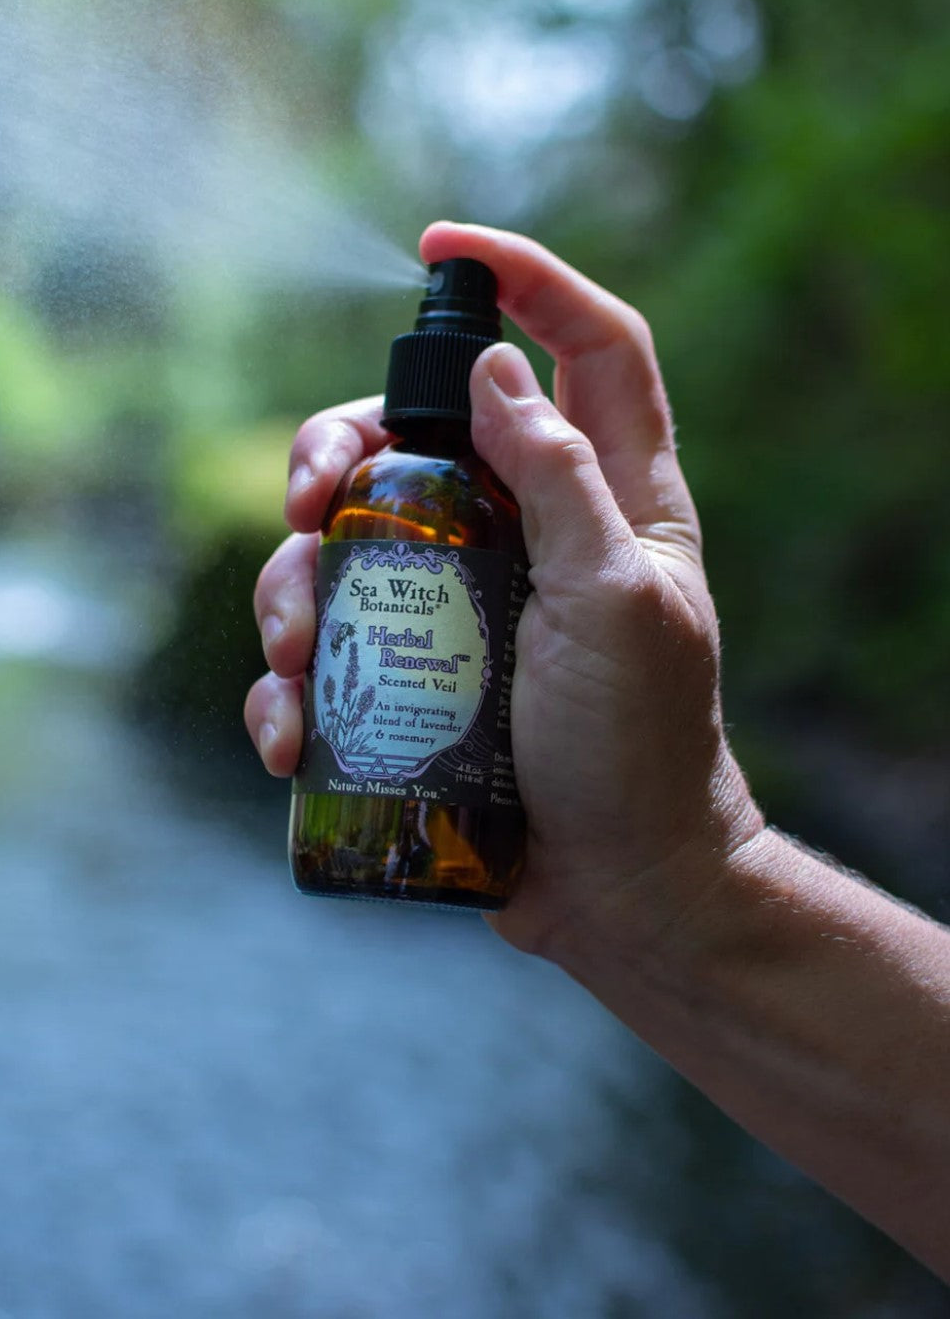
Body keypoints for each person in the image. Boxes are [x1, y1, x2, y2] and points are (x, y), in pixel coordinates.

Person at [245, 221, 950, 1281]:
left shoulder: (485, 504)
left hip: (534, 838)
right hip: (569, 871)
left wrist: (676, 878)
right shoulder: (380, 496)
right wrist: (673, 890)